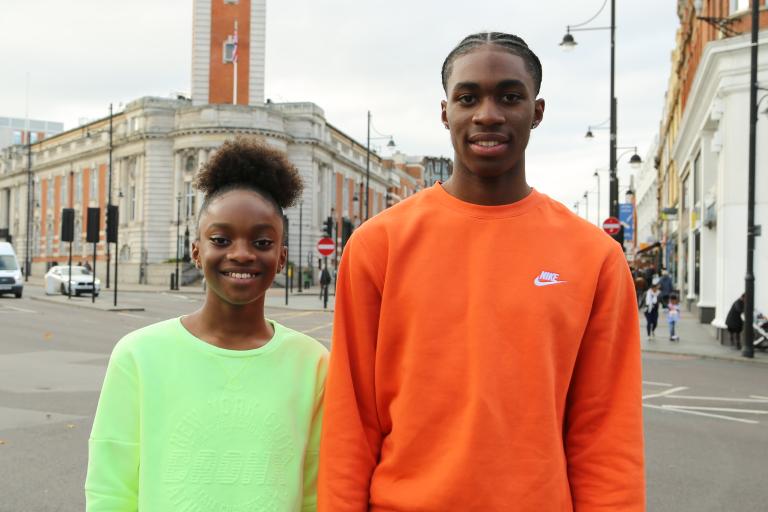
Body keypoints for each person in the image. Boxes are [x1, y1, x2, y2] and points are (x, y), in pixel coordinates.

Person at [319, 32, 644, 511]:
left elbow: (605, 432)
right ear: (445, 111)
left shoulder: (594, 256)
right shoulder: (378, 245)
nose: (487, 114)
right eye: (468, 97)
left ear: (537, 111)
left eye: (510, 97)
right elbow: (353, 421)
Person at [85, 138, 329, 511]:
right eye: (221, 239)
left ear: (281, 259)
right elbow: (111, 489)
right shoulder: (138, 355)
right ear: (196, 251)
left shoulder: (313, 363)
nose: (242, 253)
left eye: (262, 241)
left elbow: (315, 491)